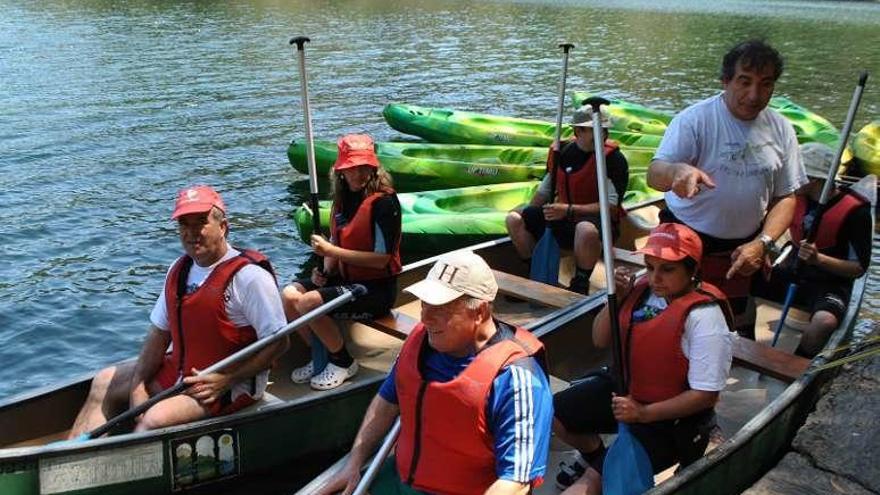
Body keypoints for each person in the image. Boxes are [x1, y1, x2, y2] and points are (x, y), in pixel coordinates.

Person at [316, 251, 553, 495]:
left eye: (441, 309)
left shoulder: (516, 378)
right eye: (424, 304)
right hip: (405, 480)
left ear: (479, 312)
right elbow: (387, 402)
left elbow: (516, 481)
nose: (425, 318)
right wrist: (354, 462)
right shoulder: (421, 343)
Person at [68, 185, 289, 437]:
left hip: (229, 384)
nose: (191, 233)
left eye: (200, 223)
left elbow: (279, 342)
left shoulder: (250, 278)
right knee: (104, 382)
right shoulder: (179, 268)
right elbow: (158, 335)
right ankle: (72, 457)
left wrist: (226, 379)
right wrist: (139, 385)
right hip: (183, 371)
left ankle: (129, 464)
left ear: (223, 227)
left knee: (154, 418)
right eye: (184, 224)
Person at [552, 223, 734, 493]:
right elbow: (599, 339)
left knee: (587, 486)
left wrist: (643, 413)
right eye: (650, 267)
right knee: (553, 412)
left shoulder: (705, 318)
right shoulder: (640, 289)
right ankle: (597, 459)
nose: (655, 277)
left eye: (667, 269)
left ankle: (597, 471)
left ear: (693, 269)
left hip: (669, 417)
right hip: (625, 388)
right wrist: (616, 299)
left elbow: (705, 396)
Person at [646, 39, 807, 338]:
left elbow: (786, 197)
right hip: (685, 239)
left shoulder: (781, 128)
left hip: (744, 249)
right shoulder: (695, 119)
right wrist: (676, 171)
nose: (754, 95)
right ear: (725, 81)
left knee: (737, 326)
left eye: (765, 84)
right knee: (671, 322)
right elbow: (654, 174)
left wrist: (764, 243)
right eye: (744, 82)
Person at [282, 134, 402, 391]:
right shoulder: (343, 201)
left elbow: (383, 260)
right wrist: (324, 271)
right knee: (290, 295)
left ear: (373, 168)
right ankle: (320, 355)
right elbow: (337, 246)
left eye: (363, 168)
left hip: (375, 289)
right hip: (347, 280)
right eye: (351, 169)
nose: (357, 175)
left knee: (309, 302)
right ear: (341, 171)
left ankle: (343, 361)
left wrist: (332, 250)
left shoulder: (384, 204)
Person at [753, 143, 871, 357]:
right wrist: (764, 250)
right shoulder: (790, 198)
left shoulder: (856, 212)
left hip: (830, 282)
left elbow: (858, 268)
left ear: (814, 179)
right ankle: (743, 339)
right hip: (793, 270)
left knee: (824, 322)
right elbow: (769, 230)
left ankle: (798, 363)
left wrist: (819, 259)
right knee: (743, 280)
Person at [506, 104, 629, 294]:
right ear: (577, 131)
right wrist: (531, 215)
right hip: (563, 220)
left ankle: (580, 282)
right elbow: (544, 192)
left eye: (605, 130)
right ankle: (535, 271)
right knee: (515, 218)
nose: (603, 136)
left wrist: (569, 209)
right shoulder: (562, 152)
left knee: (585, 229)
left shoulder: (613, 160)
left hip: (598, 227)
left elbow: (611, 207)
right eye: (595, 130)